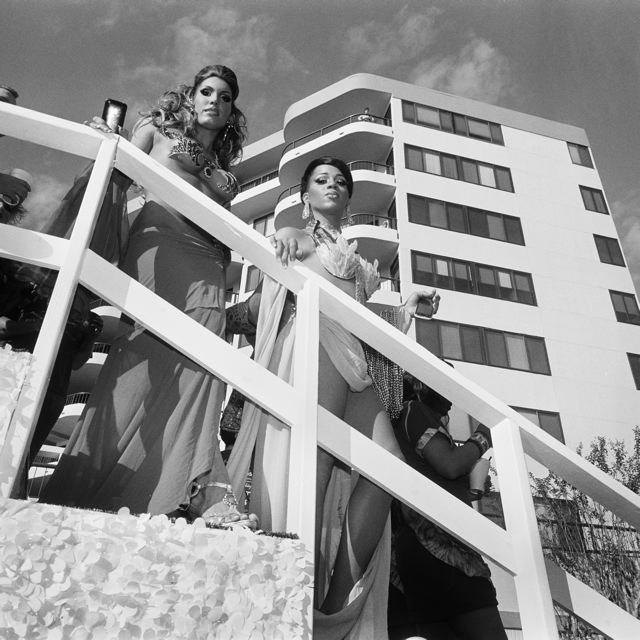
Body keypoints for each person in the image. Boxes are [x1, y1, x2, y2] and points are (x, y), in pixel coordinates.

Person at [225, 156, 440, 638]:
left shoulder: (360, 264)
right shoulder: (296, 238)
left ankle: (336, 600)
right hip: (313, 344)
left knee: (389, 468)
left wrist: (406, 307)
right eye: (322, 180)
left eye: (341, 182)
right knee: (316, 466)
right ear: (305, 197)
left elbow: (365, 323)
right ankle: (297, 590)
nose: (333, 186)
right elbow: (273, 278)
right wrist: (279, 247)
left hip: (354, 363)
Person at [41, 65, 251, 526]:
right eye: (207, 91)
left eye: (225, 97)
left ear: (232, 110)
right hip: (159, 246)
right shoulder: (156, 129)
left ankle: (186, 487)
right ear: (191, 96)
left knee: (203, 367)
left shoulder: (224, 171)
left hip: (210, 263)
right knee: (140, 363)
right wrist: (105, 138)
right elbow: (118, 166)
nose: (215, 101)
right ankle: (84, 485)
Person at [388, 374, 507, 640]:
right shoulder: (414, 411)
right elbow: (450, 464)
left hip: (420, 550)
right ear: (420, 384)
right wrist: (484, 435)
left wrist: (470, 486)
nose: (451, 396)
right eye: (445, 385)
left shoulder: (411, 419)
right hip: (440, 550)